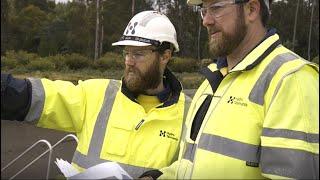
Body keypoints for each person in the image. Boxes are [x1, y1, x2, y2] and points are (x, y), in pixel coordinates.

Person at [139, 0, 319, 179]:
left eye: (216, 8)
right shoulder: (210, 83)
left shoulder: (291, 79)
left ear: (251, 9)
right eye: (204, 10)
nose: (206, 21)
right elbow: (190, 165)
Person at [1, 10, 191, 178]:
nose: (129, 62)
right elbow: (40, 97)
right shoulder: (97, 94)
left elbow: (192, 169)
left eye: (138, 54)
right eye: (126, 53)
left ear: (165, 56)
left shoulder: (191, 113)